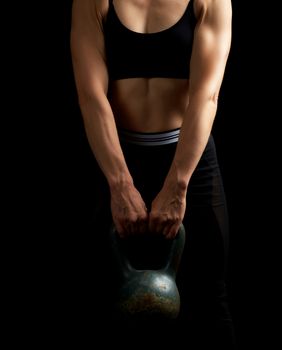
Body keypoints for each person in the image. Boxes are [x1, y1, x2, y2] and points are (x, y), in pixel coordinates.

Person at [70, 0, 236, 348]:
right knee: (93, 299)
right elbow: (90, 95)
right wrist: (120, 183)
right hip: (113, 157)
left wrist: (178, 185)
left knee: (210, 299)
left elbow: (206, 96)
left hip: (188, 159)